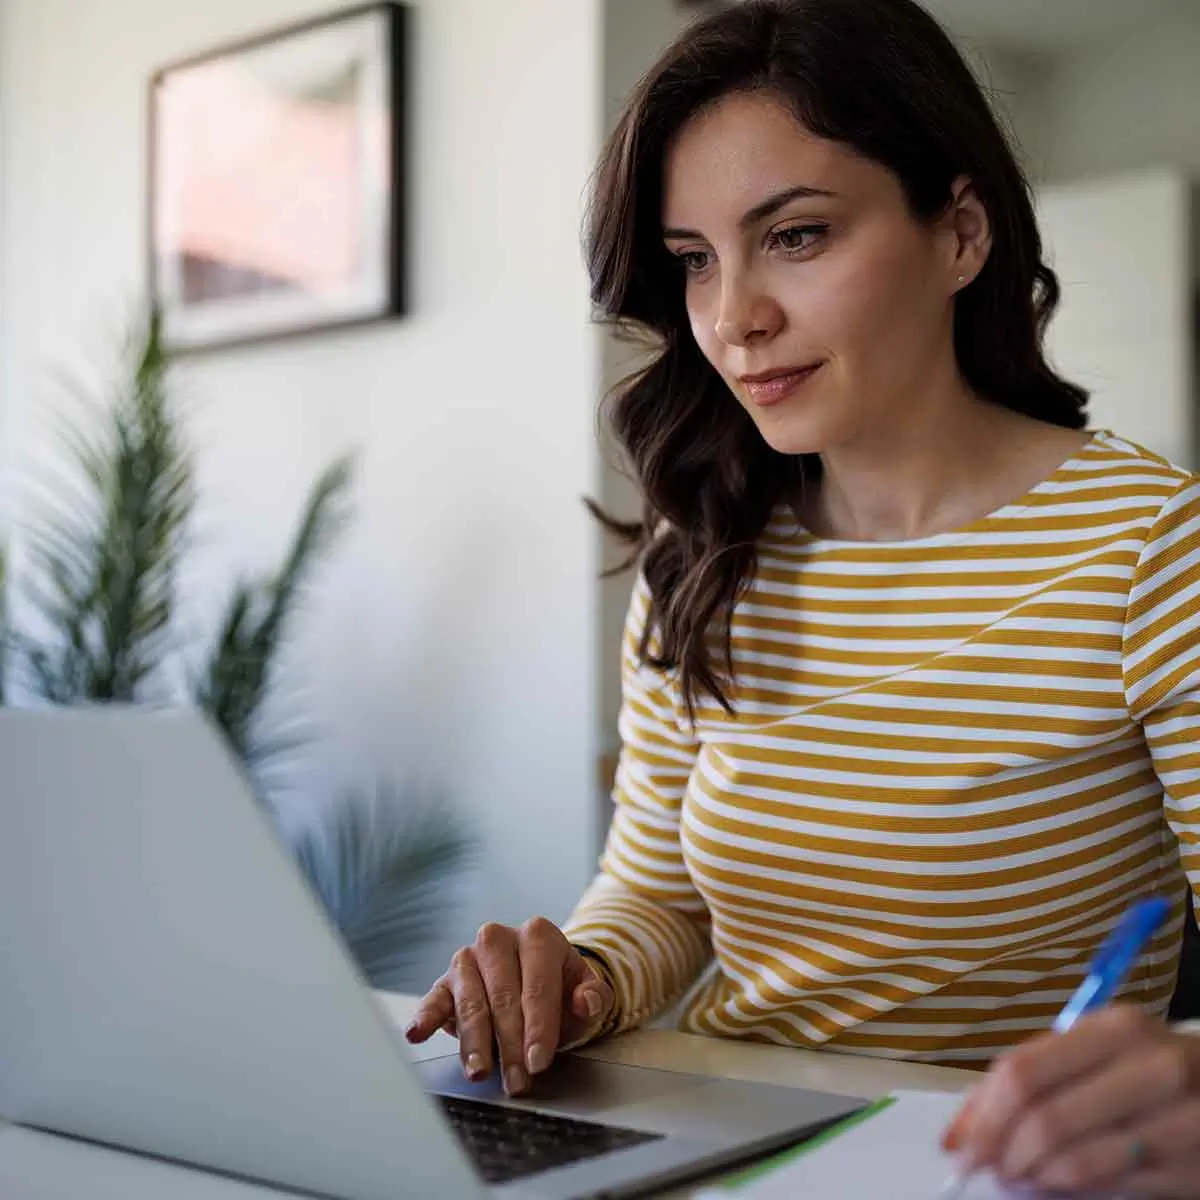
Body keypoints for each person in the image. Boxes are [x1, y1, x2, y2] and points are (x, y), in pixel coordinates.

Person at [408, 0, 1200, 1192]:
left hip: (983, 1168)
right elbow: (655, 898)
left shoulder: (1151, 547)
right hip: (718, 1145)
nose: (734, 320)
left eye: (797, 236)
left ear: (962, 235)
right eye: (694, 261)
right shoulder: (706, 547)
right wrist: (575, 977)